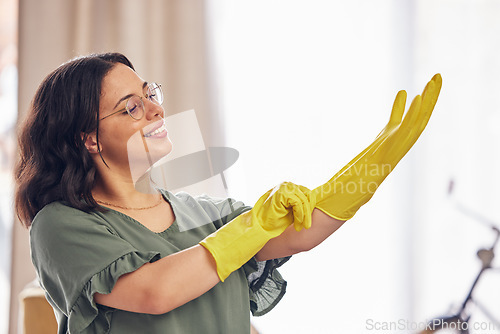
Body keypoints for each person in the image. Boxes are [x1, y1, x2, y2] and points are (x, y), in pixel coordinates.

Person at [14, 52, 441, 334]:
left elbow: (306, 229)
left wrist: (377, 160)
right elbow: (154, 292)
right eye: (132, 106)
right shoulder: (61, 224)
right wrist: (254, 225)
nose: (157, 109)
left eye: (150, 94)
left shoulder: (202, 213)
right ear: (89, 138)